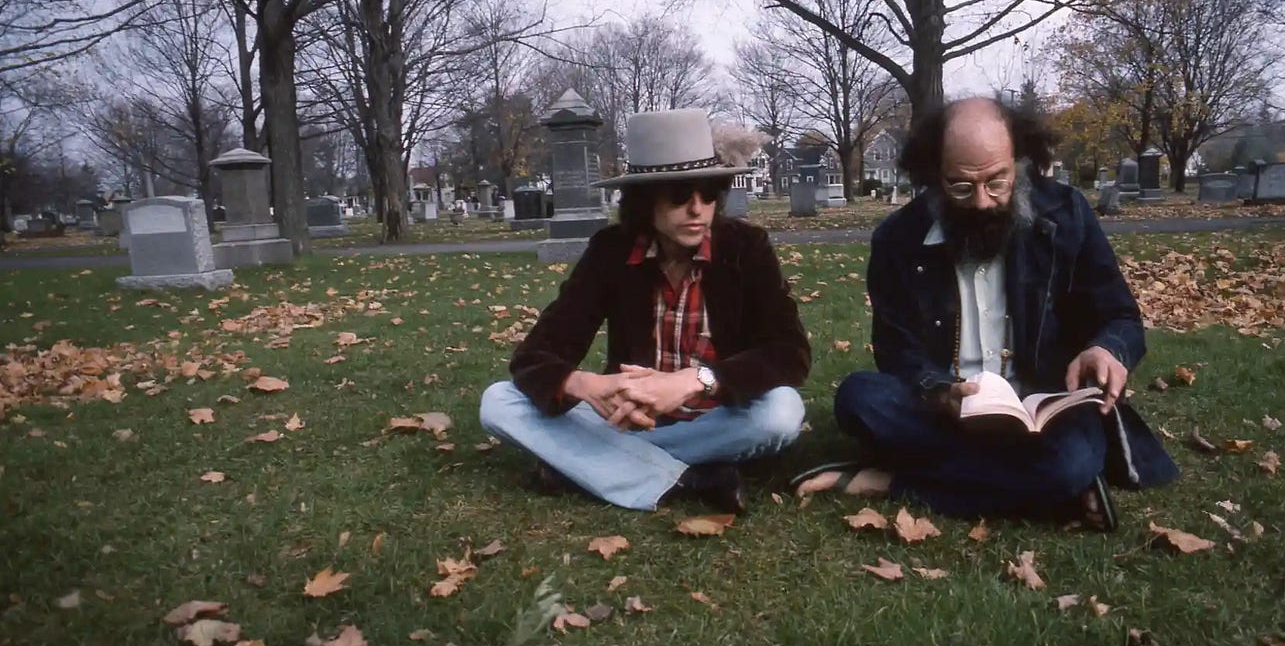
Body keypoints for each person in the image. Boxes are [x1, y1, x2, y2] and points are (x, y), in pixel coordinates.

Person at [796, 97, 1178, 529]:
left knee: (1072, 458)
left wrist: (1107, 349)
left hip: (1042, 414)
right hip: (946, 411)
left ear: (1019, 160)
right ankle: (1047, 490)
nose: (981, 201)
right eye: (960, 186)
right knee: (859, 398)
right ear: (934, 174)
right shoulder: (898, 239)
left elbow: (1121, 318)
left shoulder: (1065, 214)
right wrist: (941, 393)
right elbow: (896, 351)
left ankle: (894, 481)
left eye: (998, 181)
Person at [479, 108, 811, 514]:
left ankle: (579, 464)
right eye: (678, 196)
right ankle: (690, 479)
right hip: (630, 416)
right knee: (498, 401)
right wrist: (583, 384)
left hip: (719, 414)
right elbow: (536, 354)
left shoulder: (746, 247)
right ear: (644, 200)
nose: (697, 210)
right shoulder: (611, 251)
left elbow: (788, 353)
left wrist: (697, 380)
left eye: (708, 193)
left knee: (781, 412)